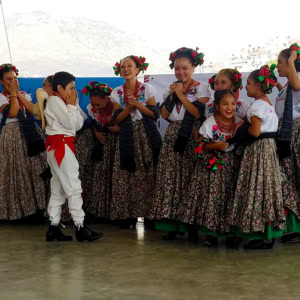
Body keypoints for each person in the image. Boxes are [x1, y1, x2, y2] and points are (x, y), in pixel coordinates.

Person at [150, 47, 210, 240]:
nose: (180, 72)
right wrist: (174, 94)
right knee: (171, 178)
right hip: (173, 133)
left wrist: (182, 95)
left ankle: (191, 226)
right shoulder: (172, 88)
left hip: (192, 134)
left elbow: (197, 113)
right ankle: (174, 225)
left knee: (189, 178)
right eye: (177, 69)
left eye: (184, 68)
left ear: (193, 67)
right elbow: (164, 115)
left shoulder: (201, 88)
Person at [229, 65, 285, 249]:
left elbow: (254, 132)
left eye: (249, 83)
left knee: (255, 187)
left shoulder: (257, 106)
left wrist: (241, 129)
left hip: (258, 150)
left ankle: (259, 233)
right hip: (269, 150)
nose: (246, 87)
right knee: (266, 189)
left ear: (259, 86)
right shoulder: (268, 104)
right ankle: (267, 232)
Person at [44, 71, 103, 242]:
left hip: (62, 146)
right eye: (71, 88)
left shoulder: (64, 100)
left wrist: (73, 105)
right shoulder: (54, 100)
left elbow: (78, 124)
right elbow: (70, 123)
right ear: (60, 87)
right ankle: (80, 226)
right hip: (60, 146)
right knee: (74, 187)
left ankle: (53, 227)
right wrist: (71, 106)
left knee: (58, 189)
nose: (73, 92)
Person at [183, 89, 241, 246]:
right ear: (216, 106)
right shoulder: (209, 123)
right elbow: (200, 146)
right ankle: (211, 234)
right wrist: (215, 145)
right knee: (212, 199)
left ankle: (231, 233)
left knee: (230, 198)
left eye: (233, 104)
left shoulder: (240, 122)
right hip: (213, 167)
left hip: (232, 166)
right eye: (225, 104)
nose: (230, 108)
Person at [110, 55, 161, 228]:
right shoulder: (117, 92)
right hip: (127, 135)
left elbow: (154, 114)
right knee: (127, 174)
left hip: (145, 135)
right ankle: (128, 215)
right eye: (123, 66)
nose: (126, 69)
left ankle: (149, 216)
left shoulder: (147, 89)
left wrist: (138, 105)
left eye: (130, 66)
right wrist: (129, 107)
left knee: (147, 173)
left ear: (138, 70)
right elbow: (118, 119)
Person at [0, 63, 48, 220]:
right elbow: (13, 112)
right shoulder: (1, 97)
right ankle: (18, 212)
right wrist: (13, 94)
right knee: (15, 172)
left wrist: (17, 94)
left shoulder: (24, 95)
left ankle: (36, 209)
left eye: (14, 78)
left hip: (30, 135)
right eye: (8, 79)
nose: (12, 81)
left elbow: (34, 110)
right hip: (11, 136)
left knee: (33, 171)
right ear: (1, 82)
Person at [76, 82, 119, 220]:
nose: (94, 107)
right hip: (100, 143)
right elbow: (94, 123)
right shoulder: (90, 108)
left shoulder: (116, 107)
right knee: (99, 175)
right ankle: (97, 210)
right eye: (92, 104)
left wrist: (118, 129)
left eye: (98, 105)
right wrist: (96, 133)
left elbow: (123, 123)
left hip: (114, 143)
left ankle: (111, 211)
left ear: (107, 99)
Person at [276, 43, 300, 243]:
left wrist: (292, 60)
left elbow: (297, 87)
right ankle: (295, 225)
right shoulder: (286, 86)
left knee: (294, 176)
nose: (277, 67)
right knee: (288, 177)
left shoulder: (296, 81)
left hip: (295, 134)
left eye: (280, 63)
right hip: (286, 134)